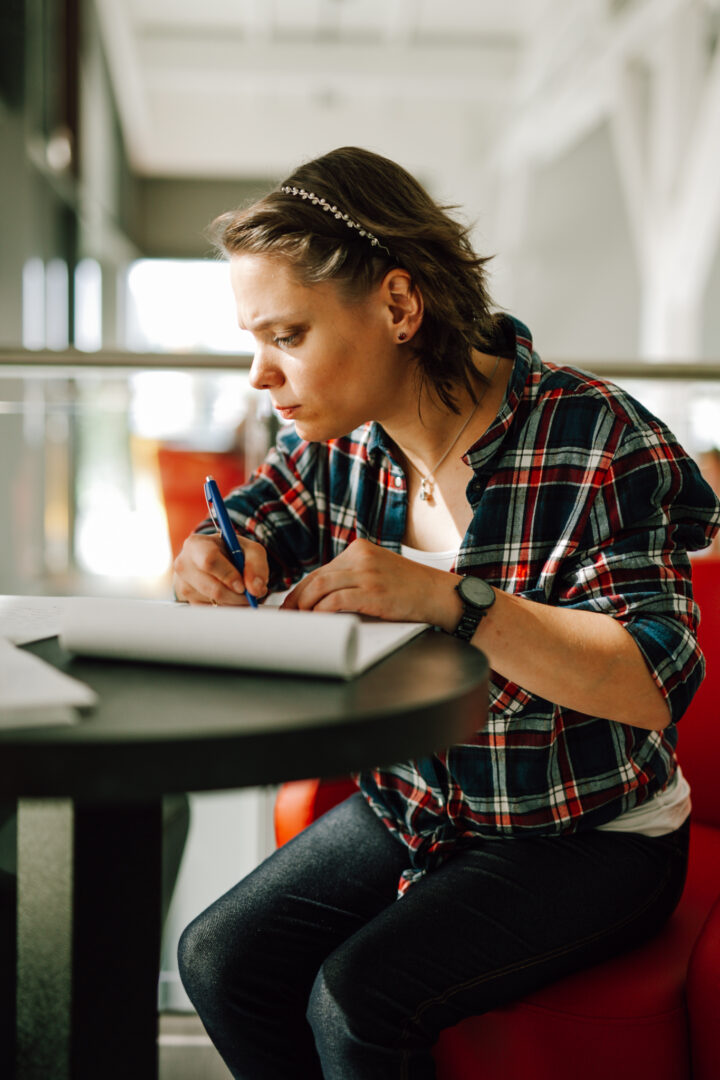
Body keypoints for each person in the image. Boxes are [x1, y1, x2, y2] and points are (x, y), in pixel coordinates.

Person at [173, 146, 720, 1080]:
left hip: (589, 836)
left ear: (397, 306)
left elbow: (651, 680)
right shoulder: (339, 446)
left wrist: (453, 599)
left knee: (354, 1001)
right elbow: (255, 521)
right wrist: (212, 555)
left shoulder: (596, 438)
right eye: (255, 340)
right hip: (419, 803)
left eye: (288, 335)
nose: (261, 375)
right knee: (219, 960)